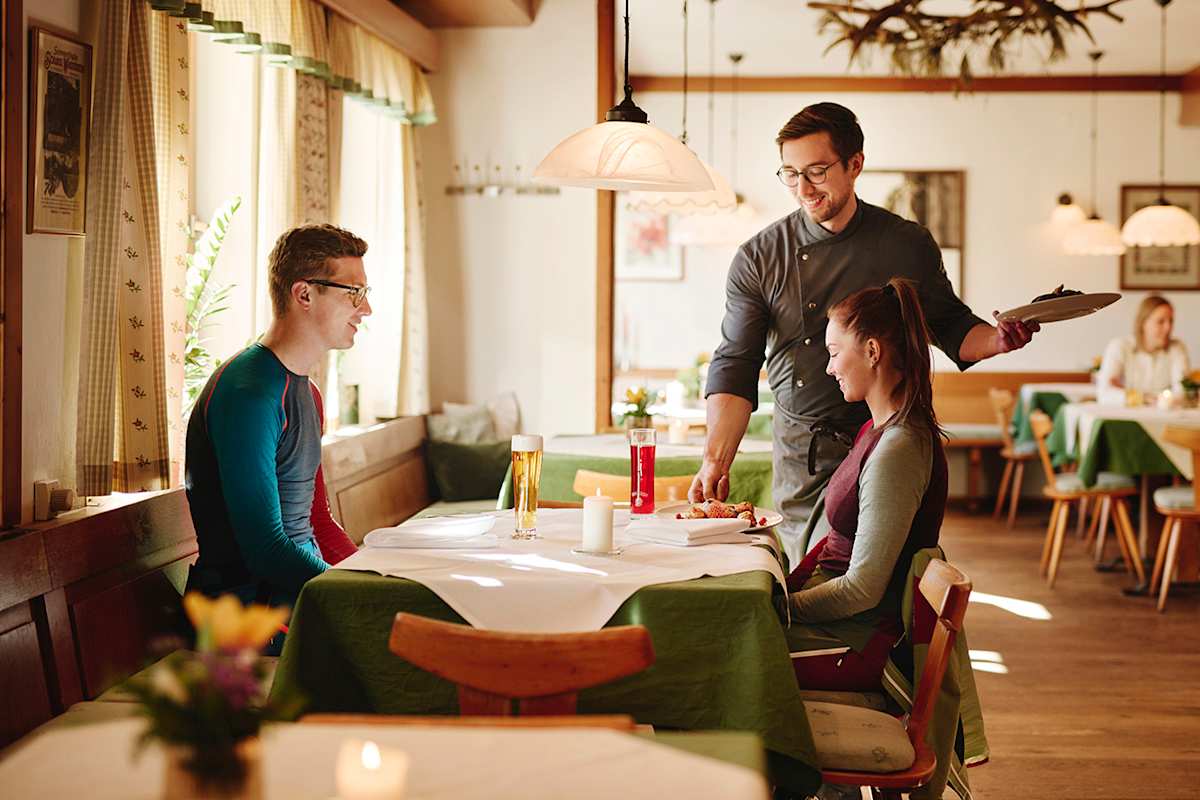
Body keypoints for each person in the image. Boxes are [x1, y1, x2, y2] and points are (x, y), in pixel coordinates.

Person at [691, 102, 1037, 567]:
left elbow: (952, 327)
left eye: (816, 171)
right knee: (805, 573)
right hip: (802, 454)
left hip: (885, 444)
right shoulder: (760, 256)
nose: (803, 189)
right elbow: (736, 363)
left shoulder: (905, 243)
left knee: (877, 583)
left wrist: (999, 339)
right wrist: (715, 459)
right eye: (790, 174)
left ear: (855, 164)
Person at [184, 224, 371, 653]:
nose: (366, 310)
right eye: (354, 293)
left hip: (296, 605)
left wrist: (369, 578)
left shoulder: (308, 391)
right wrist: (353, 595)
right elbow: (266, 549)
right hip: (246, 628)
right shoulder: (250, 392)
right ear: (304, 295)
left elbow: (317, 521)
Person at [1096, 295, 1190, 404]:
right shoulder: (1120, 346)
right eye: (1161, 321)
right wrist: (1146, 398)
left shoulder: (1177, 348)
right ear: (1143, 323)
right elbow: (1104, 394)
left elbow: (1183, 393)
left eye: (1171, 321)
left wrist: (1128, 394)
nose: (1168, 327)